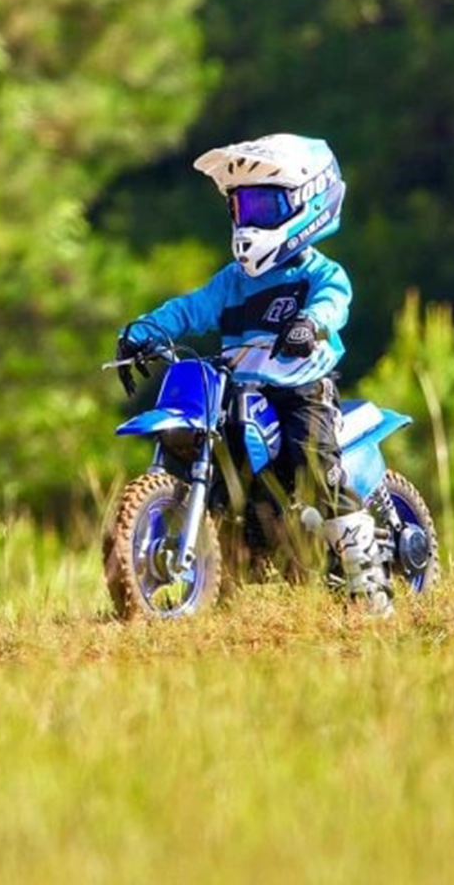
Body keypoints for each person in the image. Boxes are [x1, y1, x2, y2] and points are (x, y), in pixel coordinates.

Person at [116, 133, 391, 614]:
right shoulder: (234, 281)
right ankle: (220, 575)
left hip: (300, 388)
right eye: (243, 207)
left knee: (314, 469)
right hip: (239, 388)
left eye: (265, 204)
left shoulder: (318, 273)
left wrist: (310, 323)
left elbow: (333, 303)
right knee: (222, 475)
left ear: (308, 203)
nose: (250, 220)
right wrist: (145, 329)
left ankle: (368, 584)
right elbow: (192, 308)